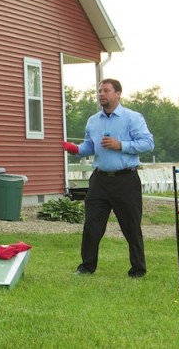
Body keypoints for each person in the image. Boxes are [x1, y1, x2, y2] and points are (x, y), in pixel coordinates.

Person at [63, 78, 154, 279]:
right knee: (92, 225)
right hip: (99, 181)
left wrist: (121, 145)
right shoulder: (93, 121)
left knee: (131, 226)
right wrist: (74, 149)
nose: (101, 94)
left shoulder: (132, 118)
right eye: (99, 91)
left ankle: (138, 270)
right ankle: (86, 267)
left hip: (125, 180)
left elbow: (148, 143)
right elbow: (90, 146)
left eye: (106, 90)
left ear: (118, 93)